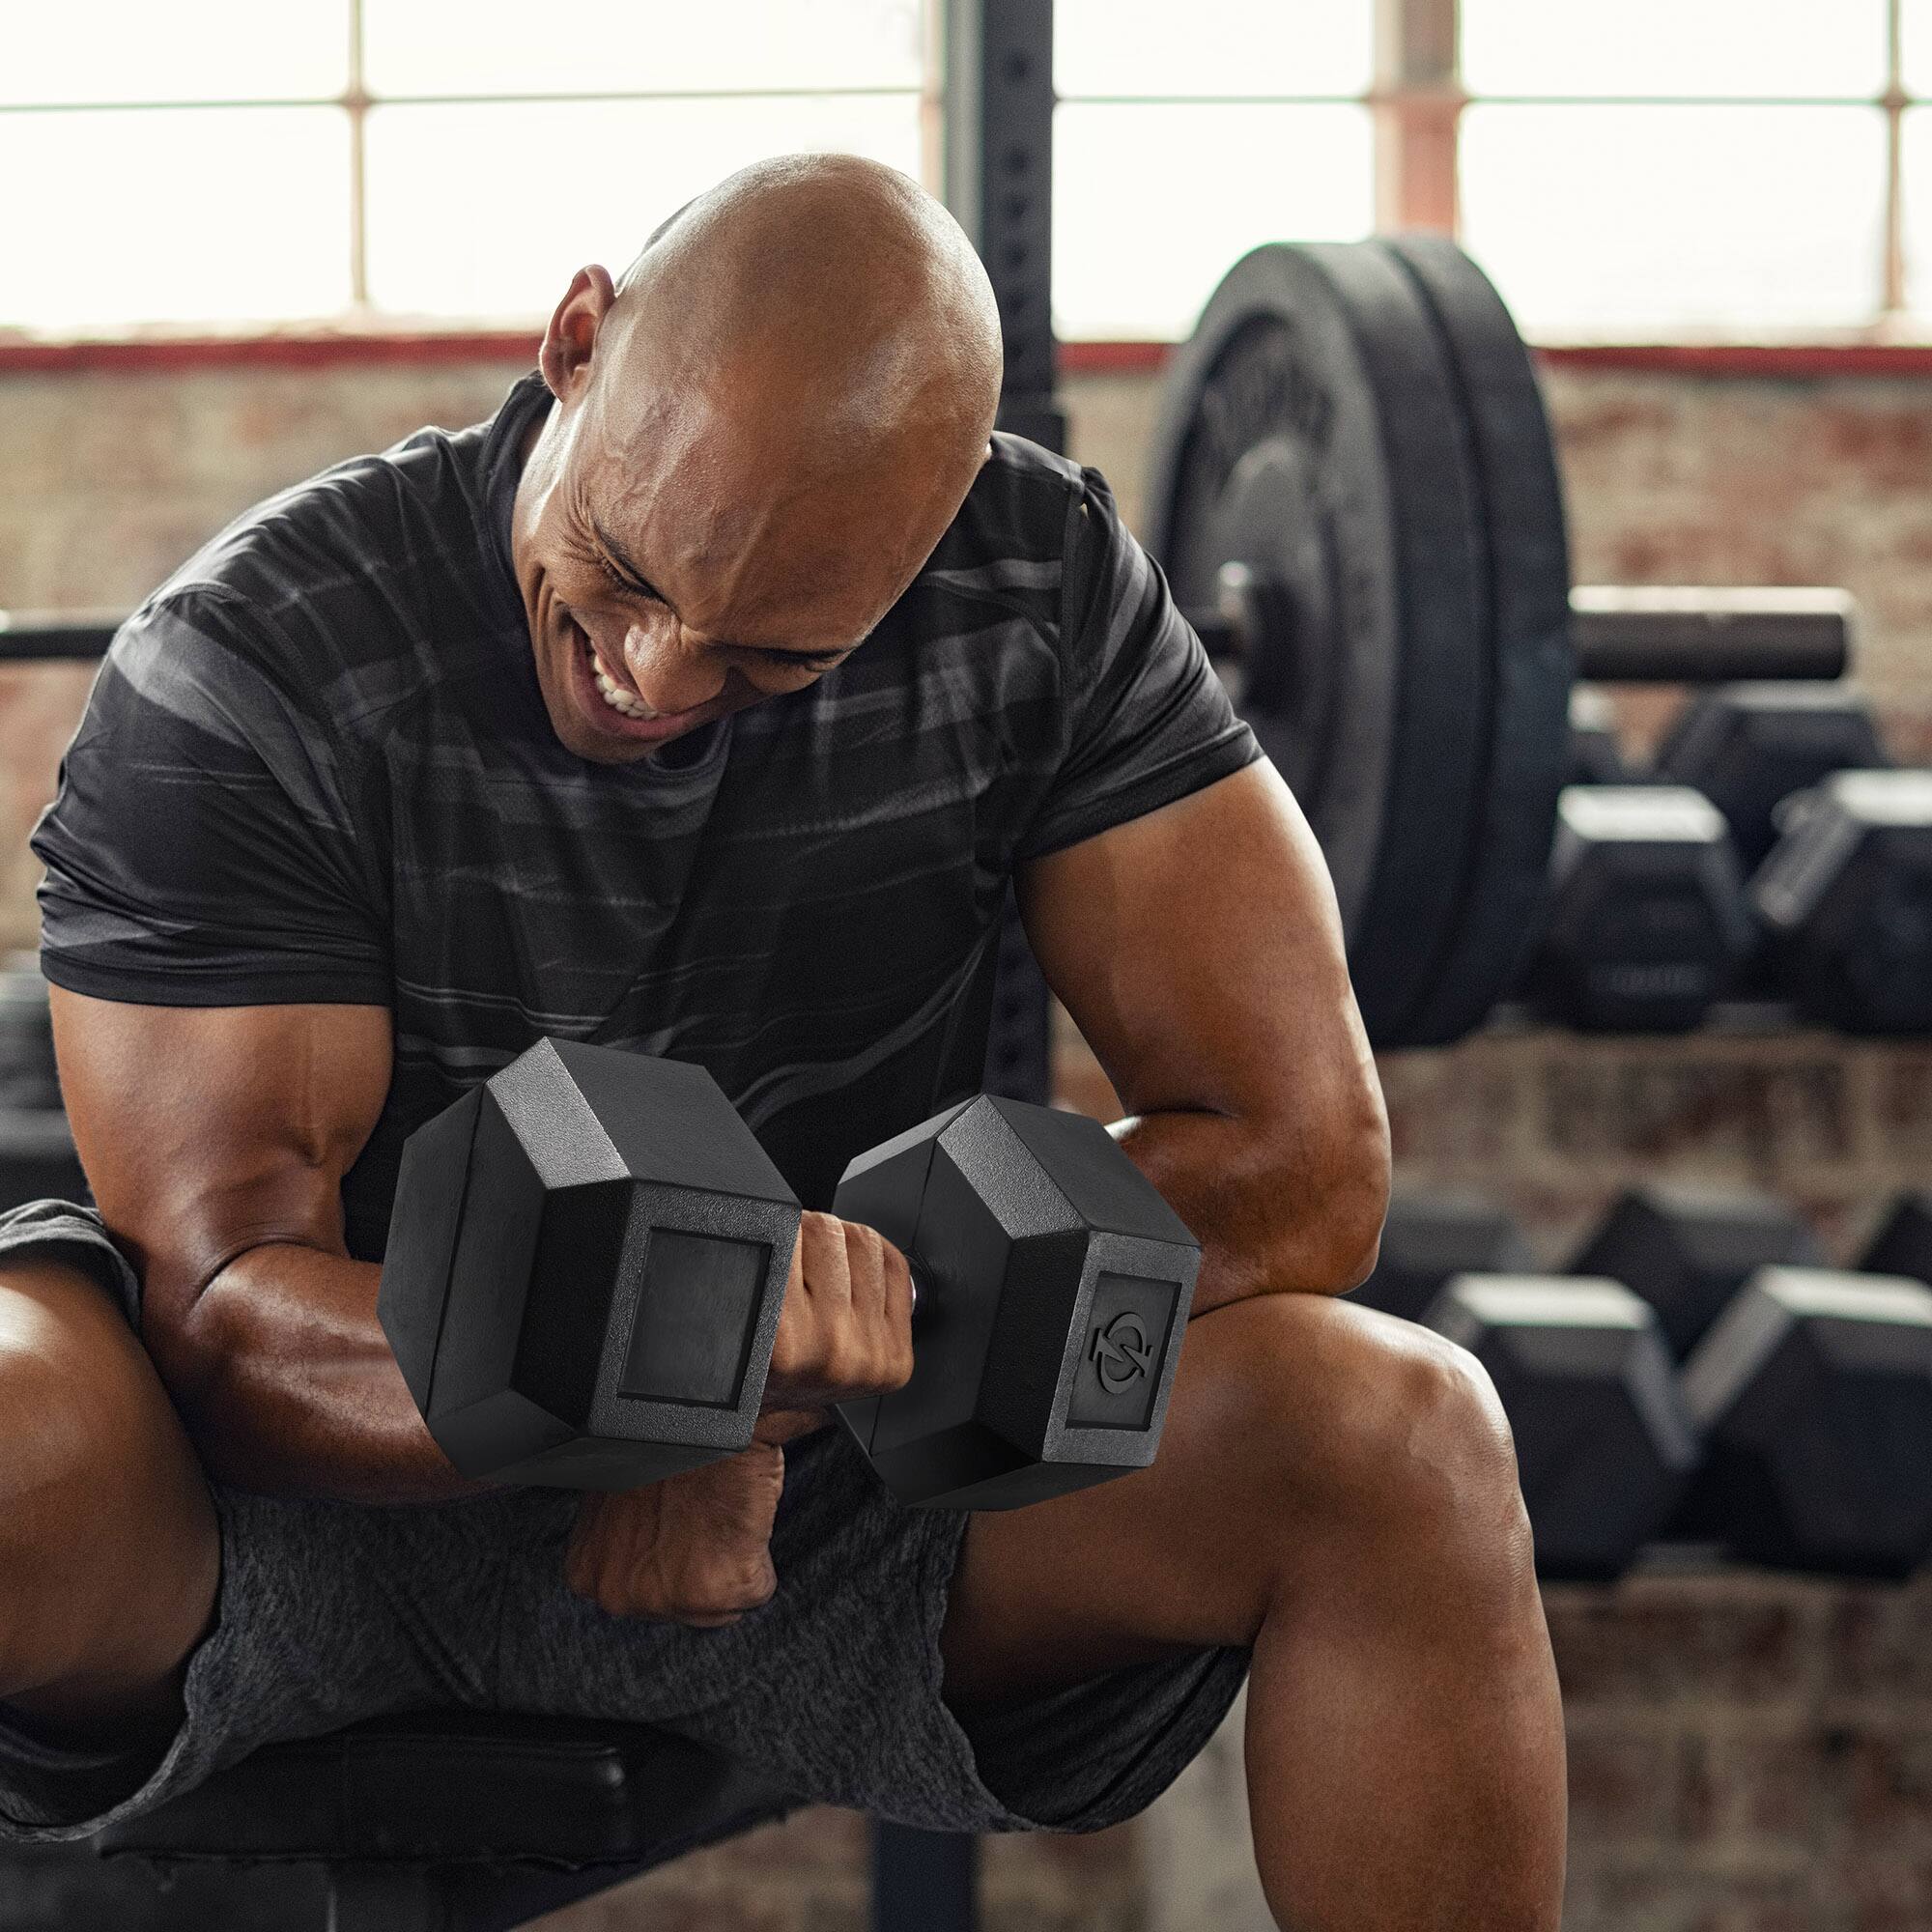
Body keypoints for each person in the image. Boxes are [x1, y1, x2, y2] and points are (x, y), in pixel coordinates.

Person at [0, 154, 1565, 1928]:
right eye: (625, 573)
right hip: (297, 1500)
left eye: (768, 660)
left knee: (1408, 1440)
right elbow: (223, 1321)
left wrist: (785, 1390)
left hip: (857, 1478)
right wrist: (683, 1385)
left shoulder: (1032, 591)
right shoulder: (256, 661)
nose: (656, 678)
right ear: (577, 340)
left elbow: (1302, 1164)